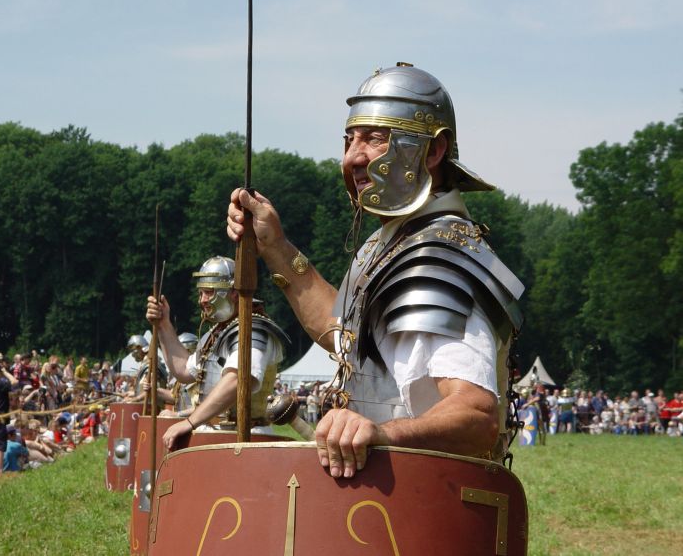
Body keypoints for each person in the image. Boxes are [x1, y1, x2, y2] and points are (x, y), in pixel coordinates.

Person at [227, 63, 524, 478]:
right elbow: (344, 335)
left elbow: (476, 416)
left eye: (375, 139)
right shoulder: (394, 245)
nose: (353, 157)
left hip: (425, 509)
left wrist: (381, 434)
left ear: (433, 151)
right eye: (349, 140)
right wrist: (275, 247)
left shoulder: (436, 260)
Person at [146, 255, 289, 449]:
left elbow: (238, 380)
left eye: (209, 293)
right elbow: (184, 371)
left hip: (244, 438)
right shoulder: (215, 334)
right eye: (201, 293)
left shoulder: (253, 329)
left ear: (233, 293)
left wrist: (189, 421)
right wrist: (164, 325)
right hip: (216, 437)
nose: (202, 300)